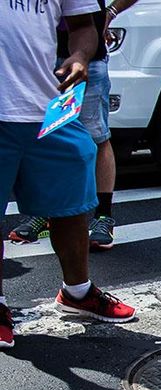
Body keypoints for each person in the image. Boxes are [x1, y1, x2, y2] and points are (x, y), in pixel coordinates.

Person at [1, 0, 137, 349]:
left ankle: (77, 292)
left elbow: (83, 26)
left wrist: (79, 57)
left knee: (73, 195)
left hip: (46, 107)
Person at [9, 0, 138, 251]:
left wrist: (110, 12)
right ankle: (44, 214)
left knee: (96, 136)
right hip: (35, 61)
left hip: (87, 58)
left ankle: (103, 217)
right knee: (46, 139)